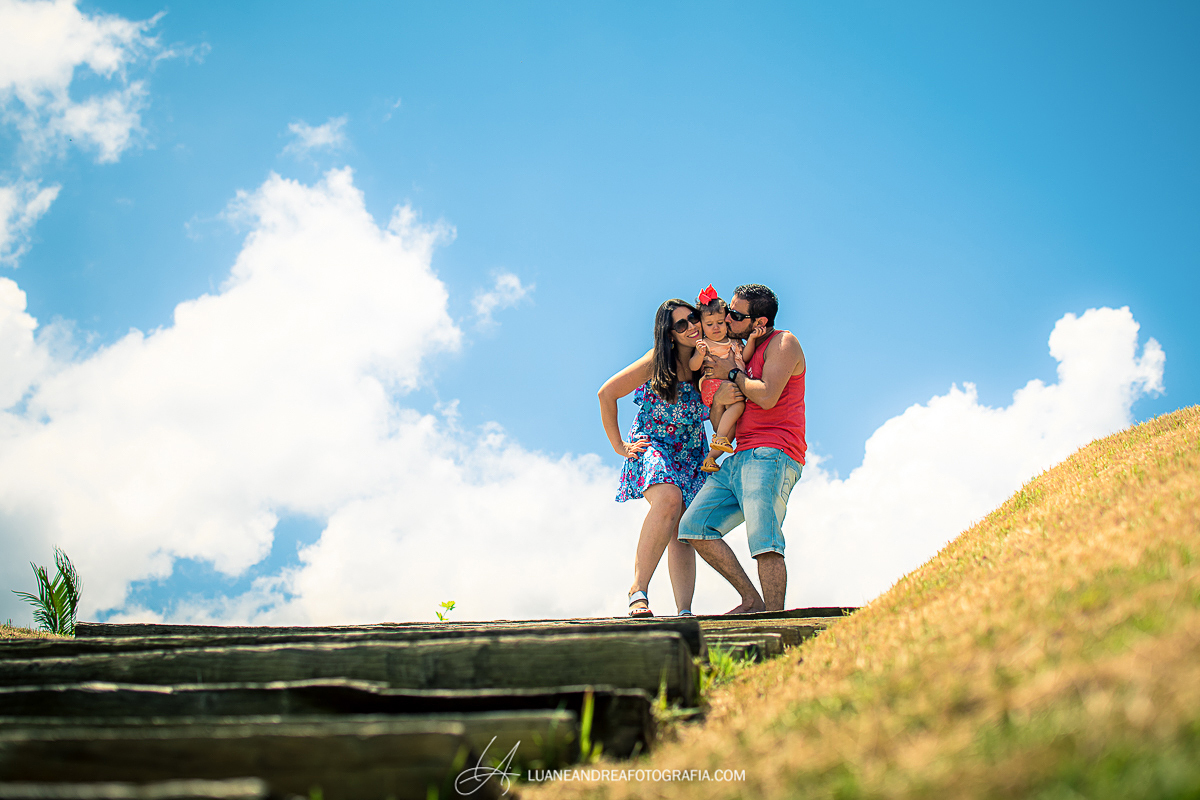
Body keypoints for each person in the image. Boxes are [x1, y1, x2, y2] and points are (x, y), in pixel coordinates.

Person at [677, 284, 806, 613]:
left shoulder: (783, 343)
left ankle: (775, 622)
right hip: (738, 456)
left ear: (759, 323)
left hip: (771, 452)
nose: (727, 318)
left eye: (735, 314)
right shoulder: (736, 349)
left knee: (764, 539)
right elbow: (718, 417)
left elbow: (766, 396)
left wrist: (731, 373)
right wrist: (719, 397)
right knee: (694, 527)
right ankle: (752, 601)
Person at [598, 299, 708, 617]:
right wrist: (619, 445)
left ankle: (685, 611)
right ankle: (638, 590)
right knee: (669, 499)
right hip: (654, 445)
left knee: (682, 529)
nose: (692, 326)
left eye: (693, 318)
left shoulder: (707, 361)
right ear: (669, 334)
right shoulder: (657, 361)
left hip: (691, 452)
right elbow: (606, 394)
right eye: (681, 324)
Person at [688, 284, 766, 473]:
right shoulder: (704, 343)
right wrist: (699, 354)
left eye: (720, 322)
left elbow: (745, 358)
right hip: (713, 385)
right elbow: (693, 366)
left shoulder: (735, 342)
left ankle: (710, 458)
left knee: (731, 430)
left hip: (726, 386)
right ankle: (719, 436)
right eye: (709, 324)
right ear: (702, 326)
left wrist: (752, 340)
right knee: (738, 407)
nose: (715, 327)